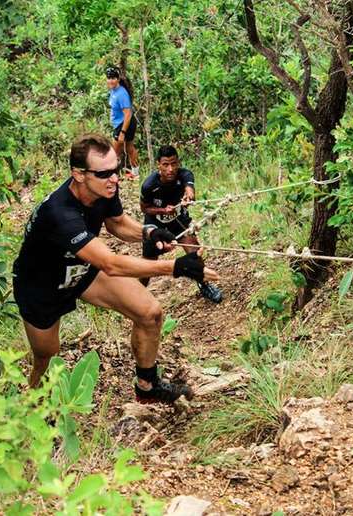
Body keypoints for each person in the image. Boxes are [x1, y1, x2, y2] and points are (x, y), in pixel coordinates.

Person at [13, 134, 219, 404]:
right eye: (105, 173)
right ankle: (34, 406)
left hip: (81, 269)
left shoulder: (104, 188)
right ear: (79, 174)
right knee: (47, 355)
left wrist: (150, 231)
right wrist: (177, 267)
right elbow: (110, 263)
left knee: (150, 313)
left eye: (116, 168)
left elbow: (117, 223)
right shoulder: (59, 213)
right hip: (42, 285)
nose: (114, 178)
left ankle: (147, 385)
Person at [140, 145, 223, 303]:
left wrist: (188, 197)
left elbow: (190, 190)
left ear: (178, 163)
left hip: (179, 222)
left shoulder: (185, 174)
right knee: (147, 265)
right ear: (158, 164)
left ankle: (204, 284)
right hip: (156, 227)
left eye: (173, 163)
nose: (170, 169)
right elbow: (144, 208)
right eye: (165, 164)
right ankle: (136, 296)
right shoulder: (149, 185)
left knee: (195, 252)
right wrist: (163, 211)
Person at [105, 66, 139, 179]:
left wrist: (122, 132)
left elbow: (128, 114)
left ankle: (112, 175)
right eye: (109, 78)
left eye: (113, 78)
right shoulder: (113, 90)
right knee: (129, 148)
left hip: (124, 124)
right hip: (121, 123)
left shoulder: (121, 93)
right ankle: (134, 173)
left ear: (118, 79)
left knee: (114, 152)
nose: (111, 80)